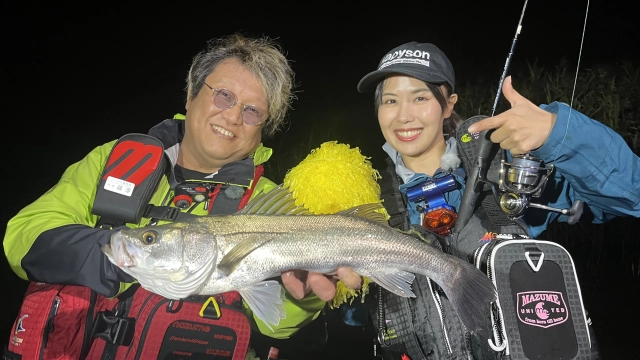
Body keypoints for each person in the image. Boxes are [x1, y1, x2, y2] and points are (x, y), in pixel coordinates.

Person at [2, 33, 358, 360]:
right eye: (224, 95)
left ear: (263, 128)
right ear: (190, 94)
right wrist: (120, 257)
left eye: (252, 111)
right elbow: (23, 238)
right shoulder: (116, 161)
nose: (233, 116)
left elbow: (275, 324)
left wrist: (307, 293)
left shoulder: (273, 203)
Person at [344, 41, 640, 359]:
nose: (403, 116)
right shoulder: (364, 200)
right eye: (390, 100)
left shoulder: (506, 169)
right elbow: (356, 314)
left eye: (420, 97)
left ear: (448, 105)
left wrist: (559, 134)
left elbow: (630, 195)